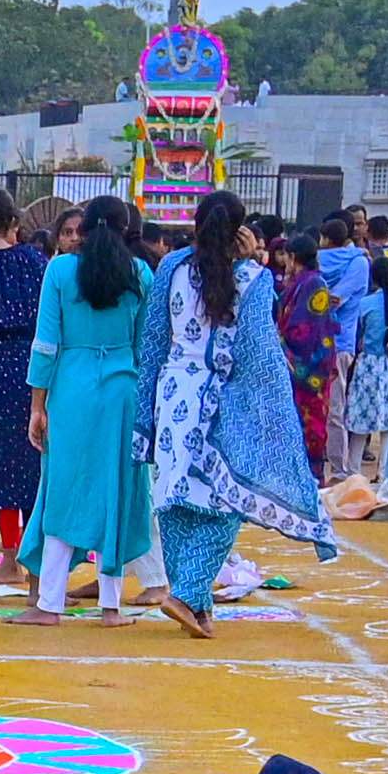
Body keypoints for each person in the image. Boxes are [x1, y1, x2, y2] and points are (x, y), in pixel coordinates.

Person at [146, 192, 338, 624]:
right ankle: (189, 593)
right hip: (224, 398)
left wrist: (146, 412)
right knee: (229, 499)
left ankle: (193, 599)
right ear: (241, 231)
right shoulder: (252, 279)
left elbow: (153, 339)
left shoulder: (170, 269)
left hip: (174, 390)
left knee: (175, 496)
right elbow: (261, 356)